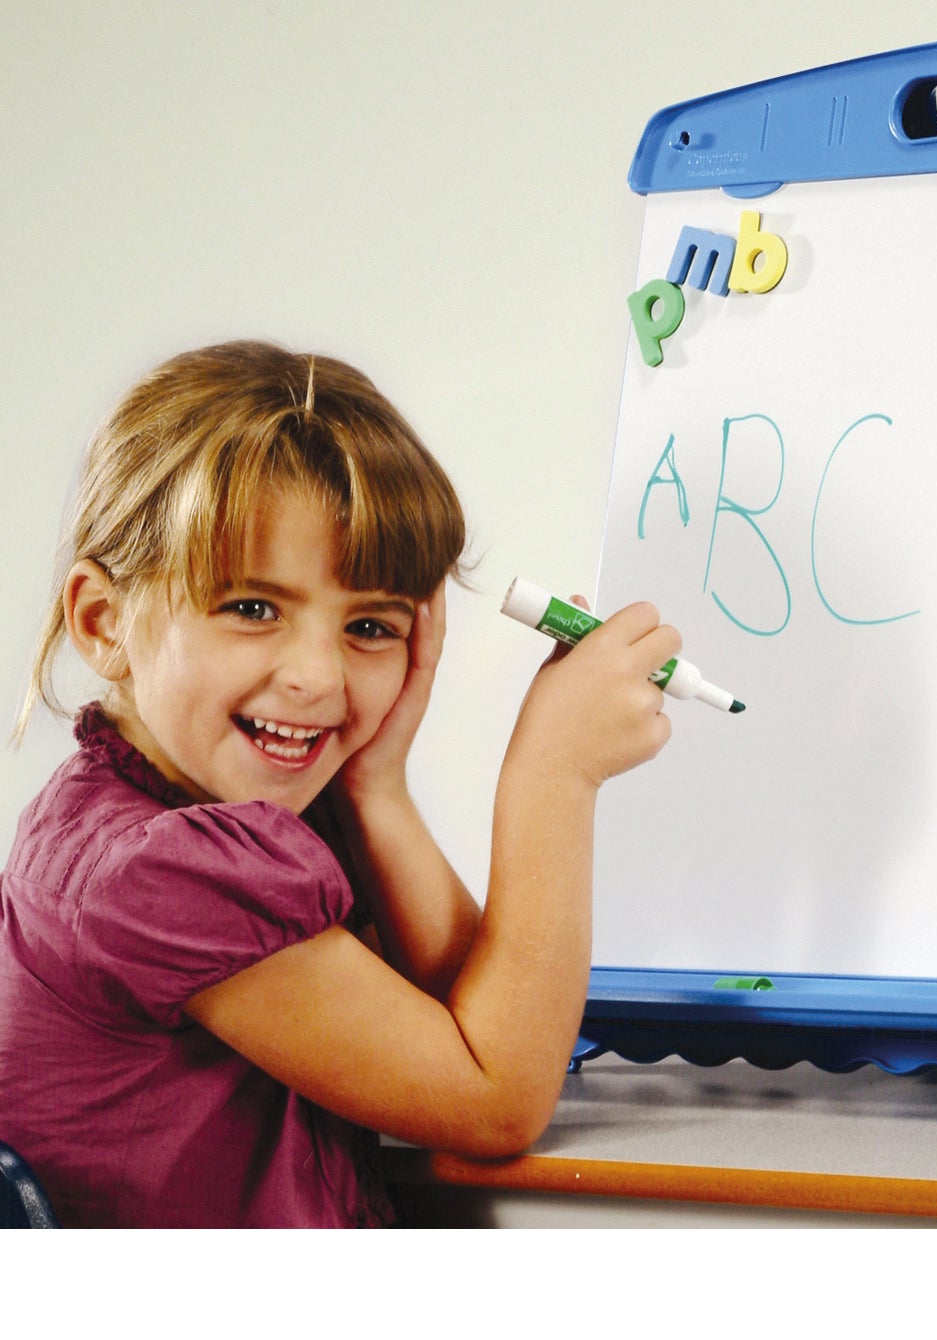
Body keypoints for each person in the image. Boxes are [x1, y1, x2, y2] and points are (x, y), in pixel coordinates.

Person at [0, 340, 679, 1226]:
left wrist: (378, 785)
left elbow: (460, 1015)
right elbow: (494, 1097)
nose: (318, 678)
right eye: (252, 609)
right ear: (102, 623)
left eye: (369, 625)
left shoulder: (137, 811)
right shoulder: (164, 873)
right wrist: (552, 775)